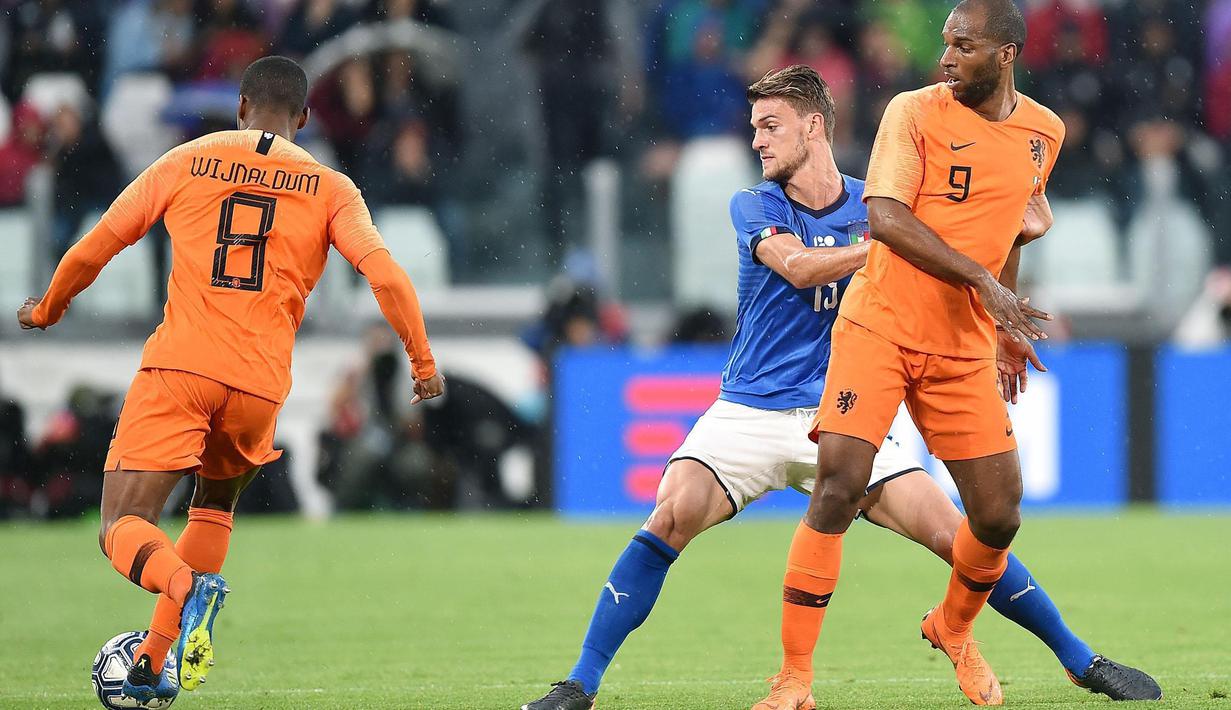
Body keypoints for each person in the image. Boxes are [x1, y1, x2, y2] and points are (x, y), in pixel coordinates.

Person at [521, 63, 1158, 710]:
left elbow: (958, 249)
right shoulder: (760, 204)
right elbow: (797, 267)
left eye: (770, 126)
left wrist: (1008, 240)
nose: (758, 141)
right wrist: (890, 243)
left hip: (846, 405)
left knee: (961, 531)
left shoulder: (878, 201)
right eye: (753, 128)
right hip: (750, 409)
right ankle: (580, 683)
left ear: (814, 126)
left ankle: (1079, 659)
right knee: (670, 516)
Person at [754, 3, 1155, 708]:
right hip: (878, 326)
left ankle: (951, 626)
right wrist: (979, 282)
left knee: (998, 515)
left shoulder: (1043, 132)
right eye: (945, 43)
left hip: (960, 346)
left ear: (1004, 55)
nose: (945, 57)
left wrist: (1001, 324)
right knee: (839, 485)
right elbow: (884, 217)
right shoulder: (911, 112)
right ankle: (793, 679)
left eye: (962, 47)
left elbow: (1013, 231)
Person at [16, 56, 444, 706]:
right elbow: (384, 274)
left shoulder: (189, 157)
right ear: (303, 119)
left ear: (241, 106)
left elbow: (103, 239)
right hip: (259, 387)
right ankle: (152, 665)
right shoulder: (331, 187)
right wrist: (421, 362)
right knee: (212, 507)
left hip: (182, 367)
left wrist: (48, 306)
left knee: (120, 526)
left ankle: (188, 593)